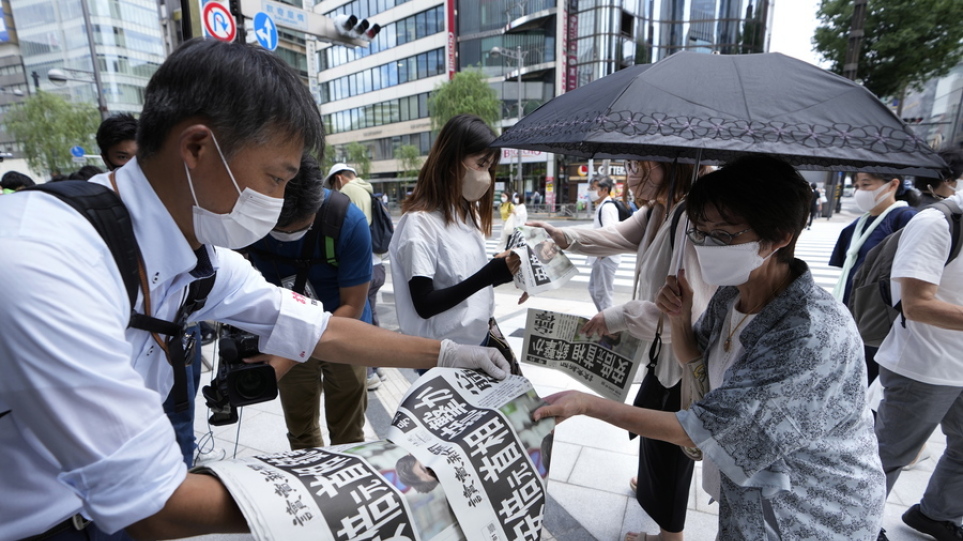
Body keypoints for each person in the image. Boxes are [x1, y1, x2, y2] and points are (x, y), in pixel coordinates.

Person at [0, 39, 509, 541]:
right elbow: (157, 506)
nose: (279, 202)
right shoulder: (46, 260)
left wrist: (451, 353)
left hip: (95, 512)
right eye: (275, 178)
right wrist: (392, 485)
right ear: (197, 147)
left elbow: (323, 328)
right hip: (37, 522)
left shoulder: (203, 259)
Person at [534, 155, 886, 540]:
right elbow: (695, 360)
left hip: (809, 516)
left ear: (779, 237)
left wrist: (586, 404)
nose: (704, 246)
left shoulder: (812, 334)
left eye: (722, 235)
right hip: (750, 503)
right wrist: (680, 318)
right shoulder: (732, 296)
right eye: (699, 232)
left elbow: (702, 430)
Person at [530, 159, 712, 541]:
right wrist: (561, 237)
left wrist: (616, 316)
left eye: (642, 166)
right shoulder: (658, 210)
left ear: (675, 166)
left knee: (671, 444)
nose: (631, 175)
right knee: (652, 432)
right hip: (659, 358)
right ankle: (652, 490)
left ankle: (671, 535)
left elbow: (682, 317)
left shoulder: (693, 220)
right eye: (631, 165)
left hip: (680, 360)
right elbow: (612, 237)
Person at [246, 154, 371, 450]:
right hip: (286, 328)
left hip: (345, 329)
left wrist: (289, 354)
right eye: (279, 230)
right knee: (300, 431)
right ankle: (312, 482)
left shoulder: (348, 222)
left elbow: (352, 306)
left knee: (348, 433)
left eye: (298, 229)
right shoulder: (251, 219)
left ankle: (346, 486)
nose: (287, 236)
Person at [388, 113, 521, 373]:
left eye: (490, 167)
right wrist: (489, 275)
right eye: (481, 164)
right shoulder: (419, 224)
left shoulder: (464, 214)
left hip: (480, 343)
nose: (486, 176)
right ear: (452, 161)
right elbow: (425, 304)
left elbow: (468, 280)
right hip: (443, 358)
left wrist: (504, 270)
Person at [873, 186, 963, 541]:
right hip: (923, 366)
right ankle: (857, 525)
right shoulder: (936, 223)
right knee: (889, 454)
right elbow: (916, 304)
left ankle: (937, 515)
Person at [830, 171, 918, 385]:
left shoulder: (905, 219)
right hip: (850, 312)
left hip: (880, 319)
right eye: (858, 184)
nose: (860, 191)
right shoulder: (857, 225)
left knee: (868, 382)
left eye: (867, 184)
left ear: (892, 185)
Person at [325, 162, 385, 390]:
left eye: (332, 186)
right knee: (373, 314)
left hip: (364, 268)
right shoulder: (368, 189)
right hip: (379, 265)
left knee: (361, 317)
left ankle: (368, 373)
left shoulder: (348, 191)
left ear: (338, 179)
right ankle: (378, 364)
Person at [586, 176, 623, 311]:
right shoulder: (602, 206)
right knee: (594, 290)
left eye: (593, 188)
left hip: (605, 257)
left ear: (605, 189)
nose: (590, 191)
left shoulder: (607, 208)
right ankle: (604, 320)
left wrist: (603, 254)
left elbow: (610, 232)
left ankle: (608, 325)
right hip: (601, 256)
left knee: (603, 294)